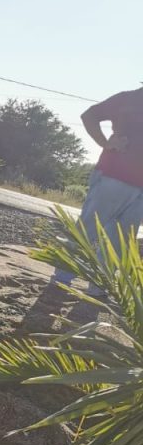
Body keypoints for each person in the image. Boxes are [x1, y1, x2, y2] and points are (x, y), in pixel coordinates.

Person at [52, 87, 143, 297]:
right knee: (88, 229)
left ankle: (98, 288)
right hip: (113, 177)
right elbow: (89, 115)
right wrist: (105, 142)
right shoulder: (128, 99)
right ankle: (62, 278)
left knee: (120, 239)